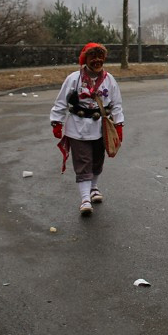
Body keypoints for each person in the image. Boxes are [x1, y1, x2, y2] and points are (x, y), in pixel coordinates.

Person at [50, 43, 124, 215]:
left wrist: (119, 125)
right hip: (77, 127)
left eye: (100, 57)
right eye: (93, 58)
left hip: (100, 128)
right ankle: (85, 199)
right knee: (83, 162)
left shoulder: (109, 80)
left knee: (97, 160)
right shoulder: (73, 79)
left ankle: (94, 188)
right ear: (86, 59)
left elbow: (117, 104)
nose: (97, 61)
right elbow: (61, 102)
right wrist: (57, 122)